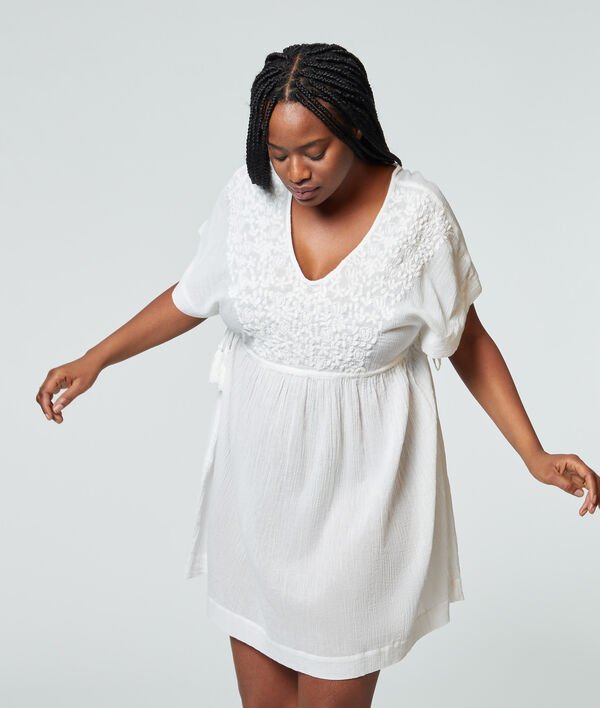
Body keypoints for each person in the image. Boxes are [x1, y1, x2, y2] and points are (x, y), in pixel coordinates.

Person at [36, 42, 597, 708]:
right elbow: (192, 294)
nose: (295, 173)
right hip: (256, 501)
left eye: (314, 151)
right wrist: (96, 358)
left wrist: (532, 453)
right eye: (278, 154)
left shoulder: (417, 216)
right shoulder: (250, 198)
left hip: (362, 508)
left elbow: (467, 340)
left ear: (354, 127)